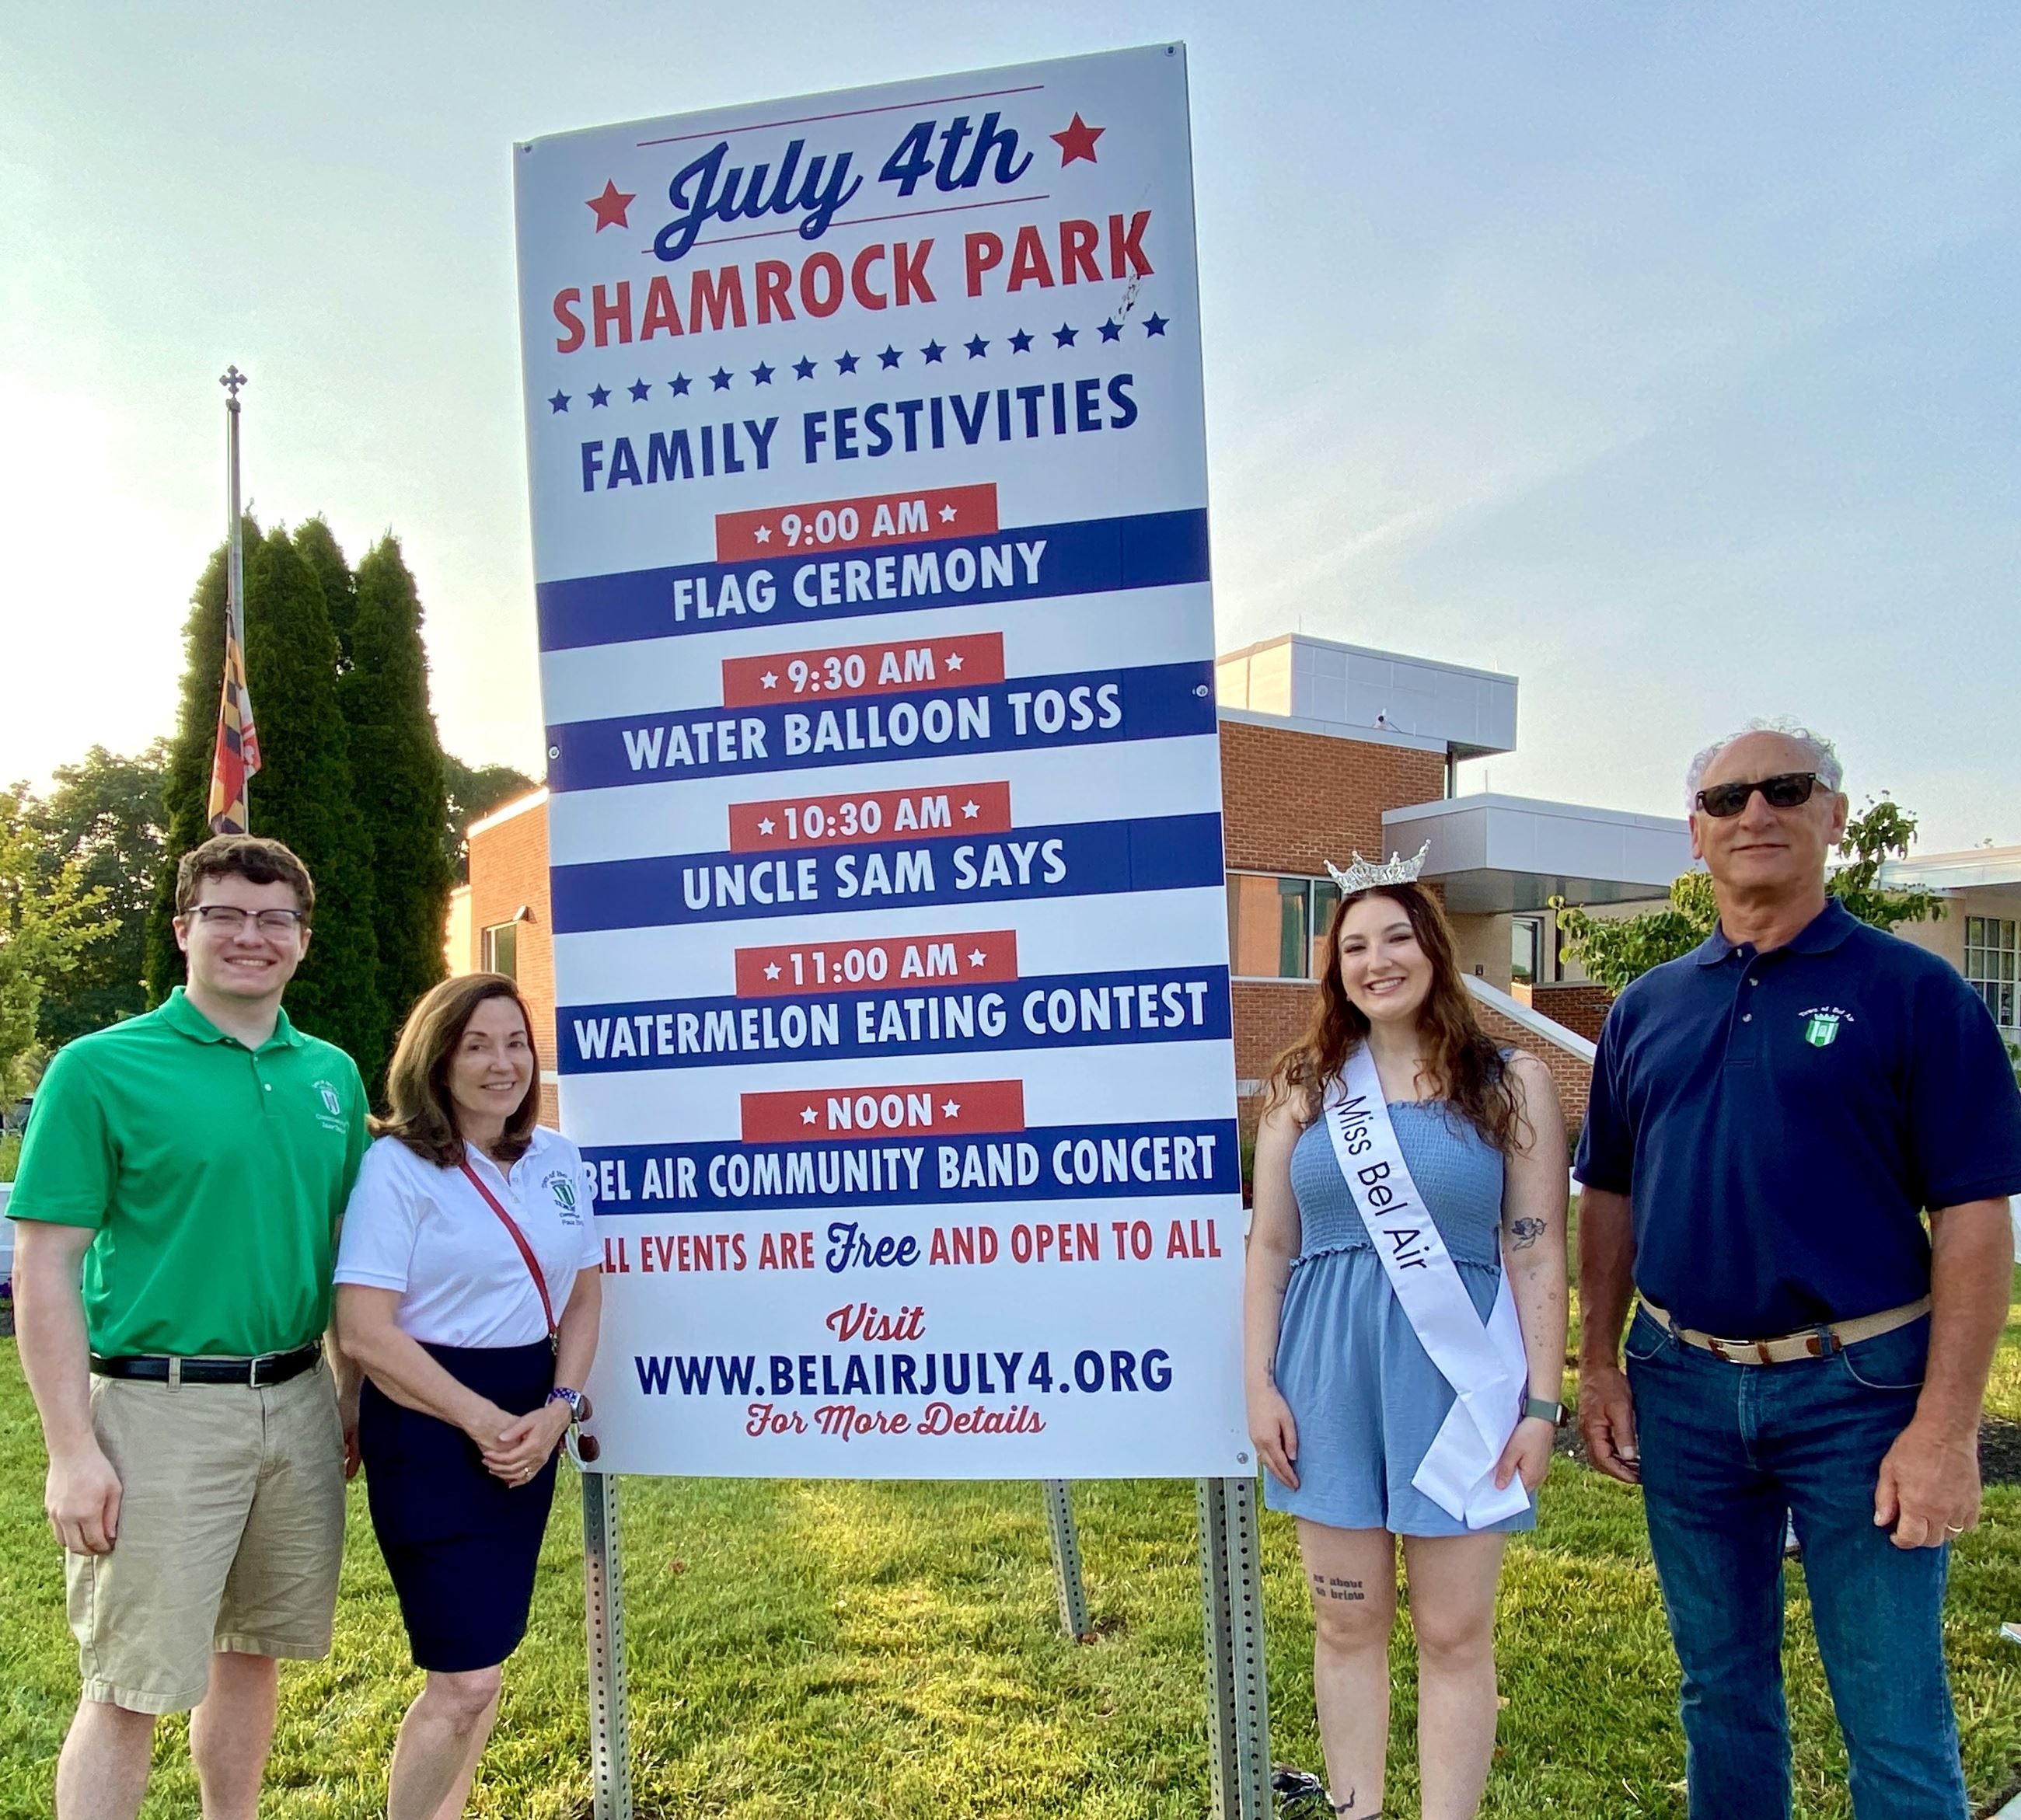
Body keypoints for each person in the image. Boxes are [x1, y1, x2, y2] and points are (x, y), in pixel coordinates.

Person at [1576, 720, 2021, 1820]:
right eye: (1726, 799)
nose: (1754, 814)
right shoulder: (1646, 1008)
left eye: (1784, 790)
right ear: (1696, 835)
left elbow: (1974, 1215)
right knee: (1721, 1690)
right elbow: (1611, 1197)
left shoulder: (1914, 994)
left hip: (1862, 1395)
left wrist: (1947, 1427)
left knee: (1894, 1714)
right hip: (1681, 1385)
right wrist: (1599, 1361)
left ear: (1833, 815)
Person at [9, 834, 366, 1820]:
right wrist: (70, 1450)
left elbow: (342, 1249)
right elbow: (46, 1265)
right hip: (156, 1408)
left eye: (274, 919)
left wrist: (346, 1390)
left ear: (301, 941)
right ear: (183, 929)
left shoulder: (329, 1074)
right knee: (128, 1684)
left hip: (295, 1406)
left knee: (250, 1649)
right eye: (225, 914)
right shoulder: (100, 1068)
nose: (251, 936)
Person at [1245, 859, 1569, 1820]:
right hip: (1327, 1381)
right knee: (1345, 1621)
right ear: (1333, 969)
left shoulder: (1511, 1083)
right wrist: (1259, 1382)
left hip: (1458, 1389)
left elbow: (1537, 1247)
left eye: (1395, 937)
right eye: (1353, 945)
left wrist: (1541, 1403)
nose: (1376, 960)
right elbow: (1268, 1241)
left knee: (1454, 1630)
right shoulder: (1304, 1087)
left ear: (1434, 948)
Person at [334, 972, 602, 1820]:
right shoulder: (397, 1166)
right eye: (476, 1044)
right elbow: (366, 1328)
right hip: (429, 1421)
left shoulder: (558, 1156)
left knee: (486, 1657)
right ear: (436, 1057)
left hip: (530, 1409)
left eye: (515, 1041)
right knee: (464, 1676)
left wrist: (559, 1405)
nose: (501, 1062)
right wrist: (483, 1418)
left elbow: (586, 1294)